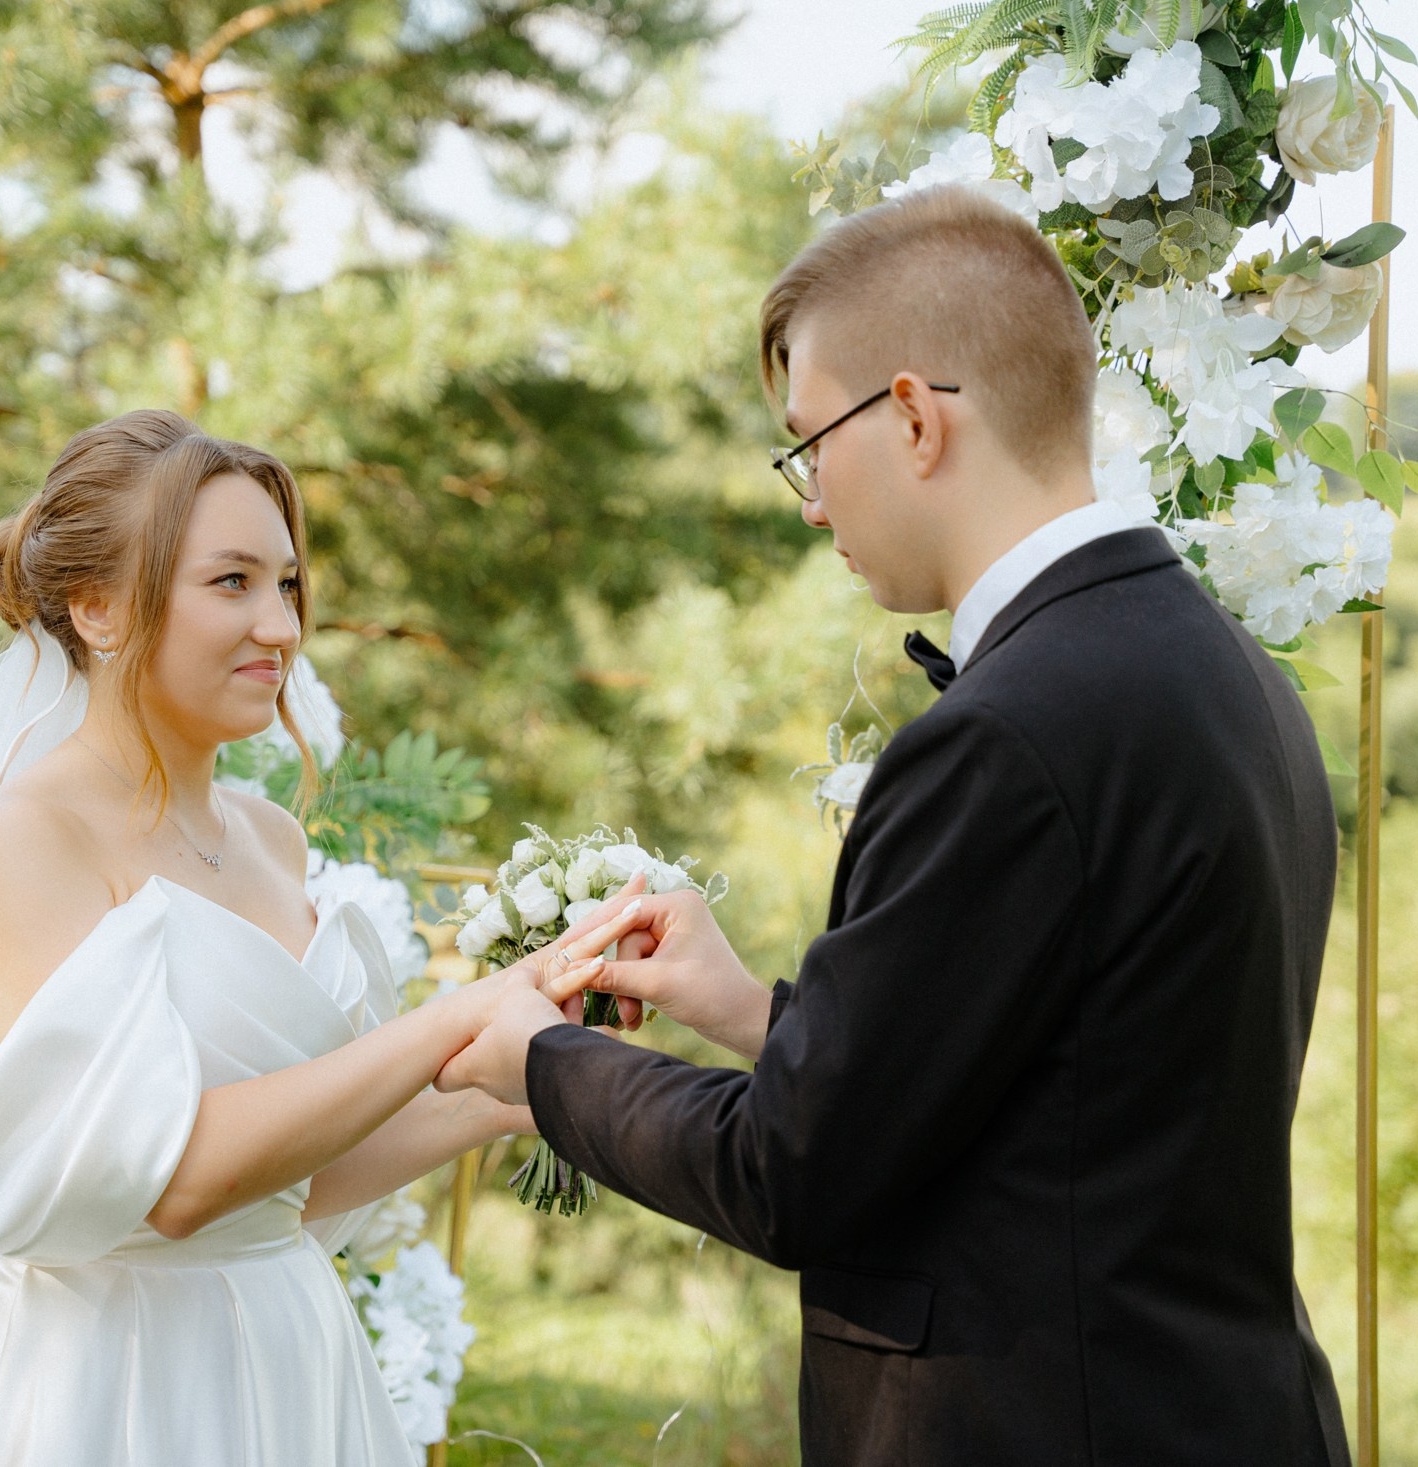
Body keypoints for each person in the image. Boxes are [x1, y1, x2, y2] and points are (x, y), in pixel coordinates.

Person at [438, 186, 1353, 1465]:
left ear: (914, 417)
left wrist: (541, 1062)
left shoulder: (1007, 732)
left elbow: (794, 1175)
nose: (810, 500)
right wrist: (754, 1013)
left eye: (811, 443)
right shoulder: (1228, 676)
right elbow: (1064, 1087)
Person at [0, 409, 643, 1467]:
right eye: (231, 583)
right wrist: (459, 1014)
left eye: (286, 584)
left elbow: (294, 1183)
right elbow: (174, 1184)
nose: (278, 626)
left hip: (294, 1361)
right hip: (111, 1387)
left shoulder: (270, 840)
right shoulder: (17, 844)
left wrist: (529, 1083)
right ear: (96, 608)